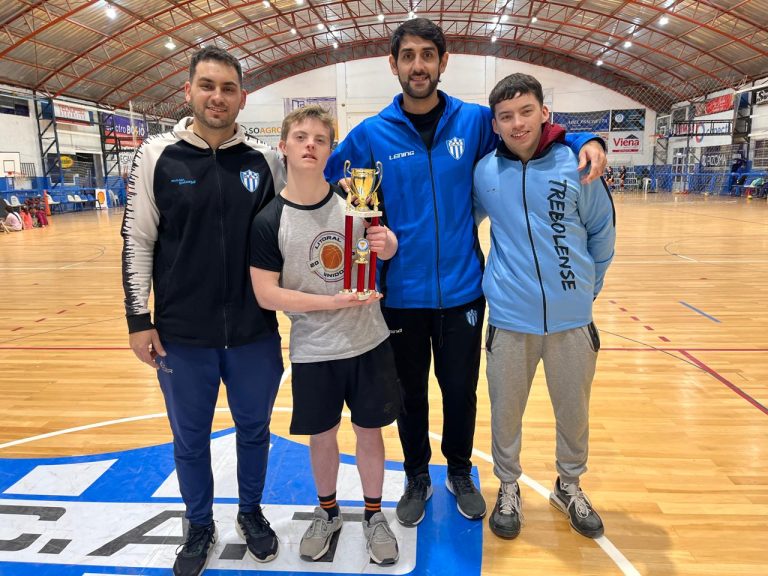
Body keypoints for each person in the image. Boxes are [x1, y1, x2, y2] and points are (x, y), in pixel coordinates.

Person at [324, 17, 607, 527]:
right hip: (400, 294)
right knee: (409, 396)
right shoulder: (370, 134)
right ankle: (416, 475)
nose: (418, 65)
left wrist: (588, 137)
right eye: (408, 56)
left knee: (460, 392)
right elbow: (328, 174)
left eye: (427, 55)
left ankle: (458, 470)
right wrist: (362, 226)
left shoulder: (475, 122)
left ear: (442, 62)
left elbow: (531, 129)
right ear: (394, 65)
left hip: (462, 292)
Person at [121, 46, 285, 576]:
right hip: (181, 335)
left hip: (254, 330)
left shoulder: (266, 161)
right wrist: (138, 320)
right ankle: (198, 524)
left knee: (254, 430)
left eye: (228, 88)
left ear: (242, 97)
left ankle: (250, 512)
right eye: (208, 86)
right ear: (188, 91)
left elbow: (291, 233)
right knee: (189, 439)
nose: (218, 96)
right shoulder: (155, 156)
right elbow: (137, 240)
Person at [250, 105, 402, 565]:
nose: (310, 145)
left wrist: (388, 245)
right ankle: (328, 511)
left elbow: (381, 247)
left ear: (331, 149)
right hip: (314, 349)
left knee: (369, 433)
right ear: (283, 146)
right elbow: (266, 294)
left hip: (368, 340)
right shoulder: (269, 220)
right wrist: (331, 303)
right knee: (322, 436)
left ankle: (374, 515)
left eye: (320, 139)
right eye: (300, 137)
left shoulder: (356, 202)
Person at [473, 73, 615, 540]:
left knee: (574, 412)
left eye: (526, 112)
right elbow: (458, 222)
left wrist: (584, 292)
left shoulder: (577, 164)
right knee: (505, 412)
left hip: (572, 321)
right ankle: (508, 486)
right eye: (506, 116)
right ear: (495, 124)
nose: (517, 123)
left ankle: (568, 485)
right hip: (510, 319)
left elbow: (602, 233)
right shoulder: (484, 173)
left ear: (544, 113)